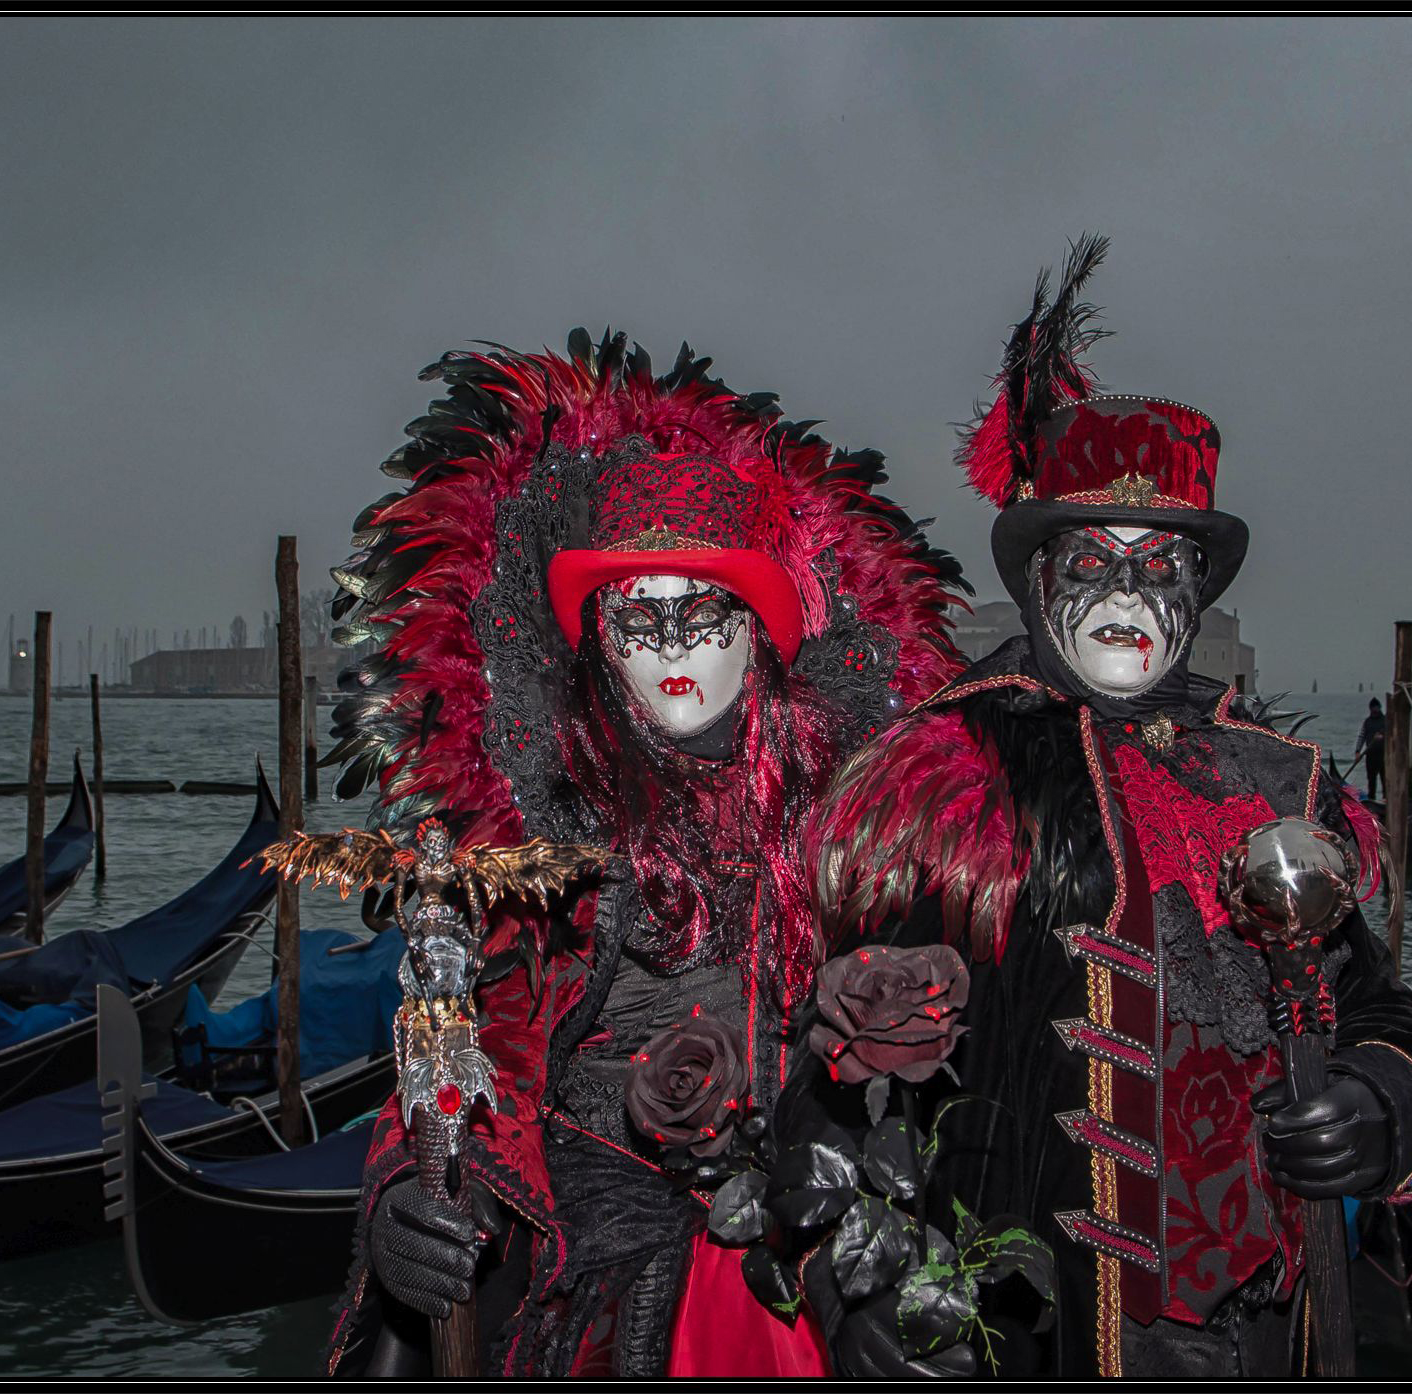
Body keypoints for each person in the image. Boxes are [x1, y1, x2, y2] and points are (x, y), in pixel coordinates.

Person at [797, 240, 1412, 1378]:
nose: (1130, 595)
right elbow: (836, 1056)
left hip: (1255, 1326)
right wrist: (858, 1287)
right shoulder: (942, 772)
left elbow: (1376, 1007)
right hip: (1027, 1330)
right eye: (1094, 559)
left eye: (1164, 566)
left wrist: (1373, 1102)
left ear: (1199, 591)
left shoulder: (1273, 781)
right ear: (1040, 581)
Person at [318, 330, 966, 1377]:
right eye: (638, 614)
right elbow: (487, 1046)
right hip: (600, 1237)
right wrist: (415, 1184)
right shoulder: (551, 819)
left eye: (702, 609)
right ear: (598, 636)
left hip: (815, 1206)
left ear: (758, 626)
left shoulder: (853, 812)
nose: (670, 647)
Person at [1356, 697, 1387, 800]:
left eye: (1376, 708)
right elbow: (1362, 736)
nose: (1375, 710)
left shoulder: (1386, 721)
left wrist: (1383, 737)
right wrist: (1357, 751)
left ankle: (1385, 798)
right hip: (1371, 755)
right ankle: (1371, 799)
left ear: (1379, 708)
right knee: (1371, 779)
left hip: (1384, 754)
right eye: (1373, 708)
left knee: (1385, 778)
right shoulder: (1367, 722)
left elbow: (1393, 735)